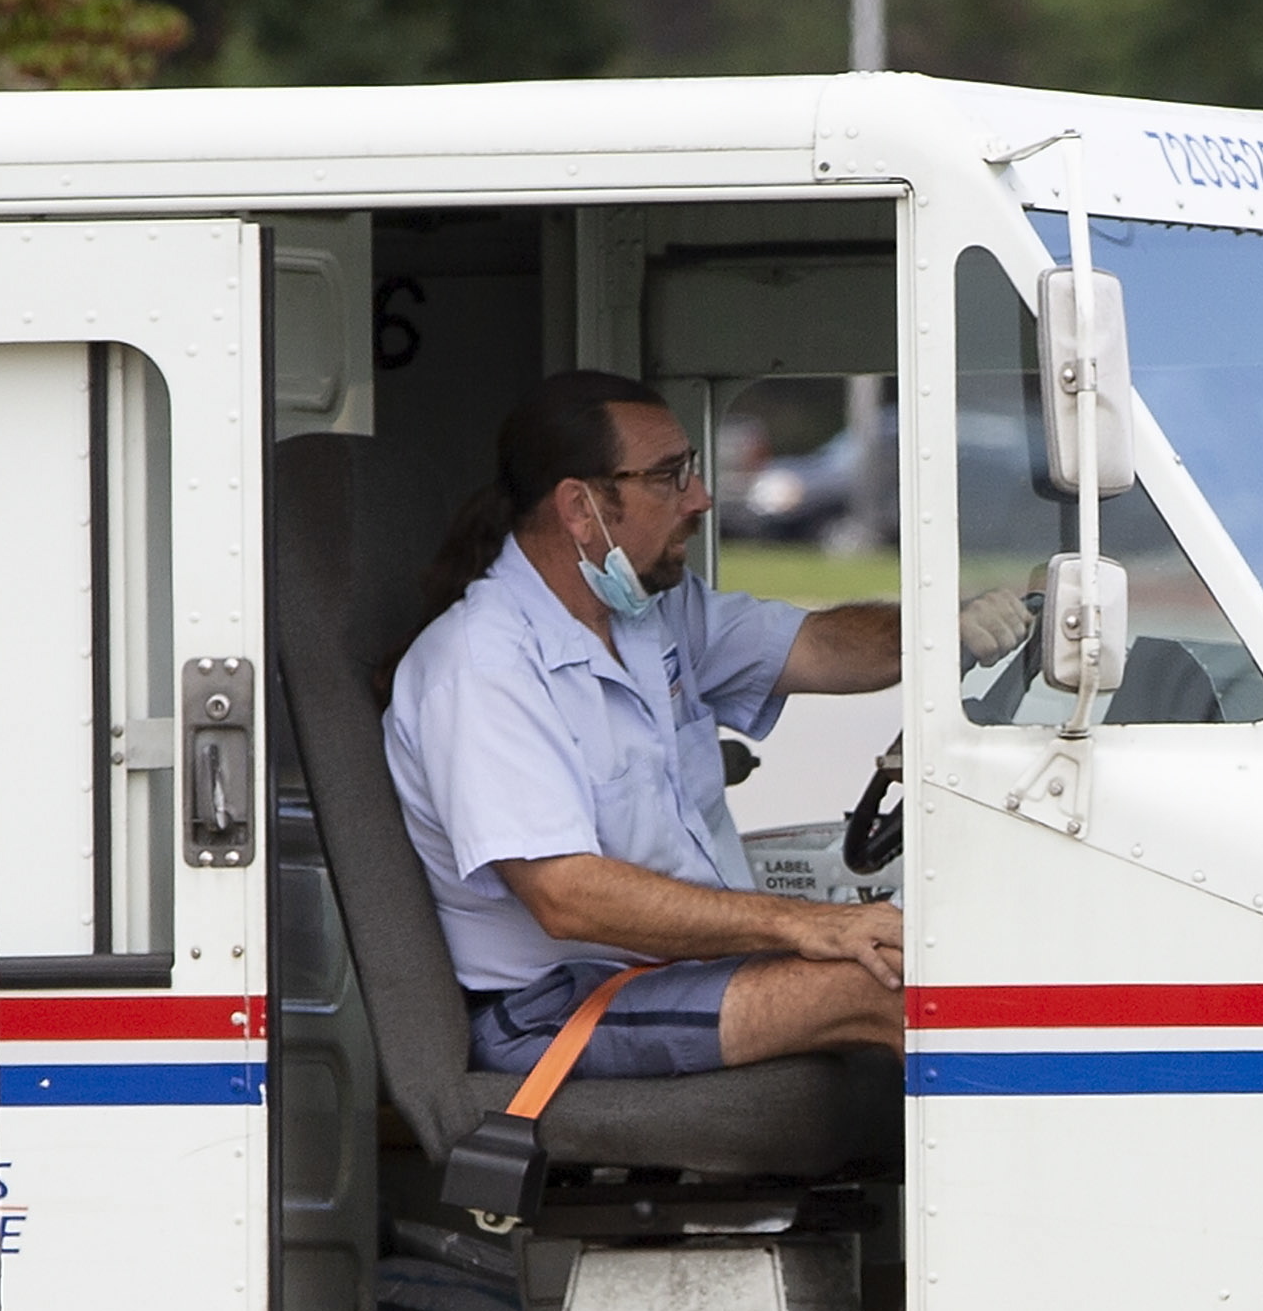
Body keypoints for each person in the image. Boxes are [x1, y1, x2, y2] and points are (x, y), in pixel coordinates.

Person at [383, 371, 921, 1078]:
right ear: (580, 508)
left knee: (941, 954)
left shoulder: (645, 613)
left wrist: (953, 633)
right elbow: (567, 896)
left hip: (668, 972)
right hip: (560, 1007)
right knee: (903, 992)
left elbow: (819, 647)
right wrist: (804, 923)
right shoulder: (480, 666)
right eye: (670, 477)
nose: (700, 498)